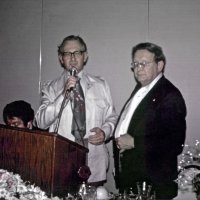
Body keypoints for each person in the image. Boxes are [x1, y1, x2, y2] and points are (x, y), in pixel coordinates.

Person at [34, 35, 117, 186]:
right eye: (67, 53)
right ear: (61, 59)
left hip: (94, 158)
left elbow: (112, 117)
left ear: (85, 56)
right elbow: (40, 122)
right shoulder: (51, 87)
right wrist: (62, 96)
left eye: (77, 53)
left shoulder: (100, 84)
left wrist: (105, 132)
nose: (72, 58)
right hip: (62, 159)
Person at [114, 42, 186, 200]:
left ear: (160, 65)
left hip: (153, 184)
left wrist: (135, 142)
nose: (138, 68)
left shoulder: (169, 95)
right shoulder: (141, 89)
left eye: (144, 63)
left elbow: (175, 142)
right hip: (133, 179)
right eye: (135, 64)